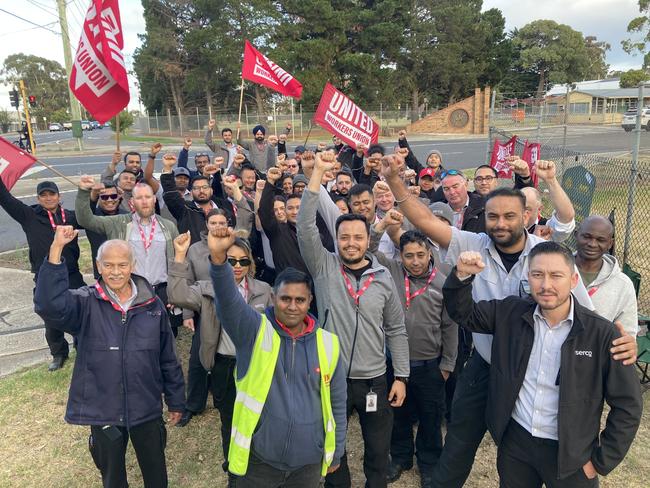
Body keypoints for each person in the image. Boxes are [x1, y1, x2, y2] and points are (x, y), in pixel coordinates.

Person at [379, 153, 638, 488]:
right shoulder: (473, 244)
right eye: (493, 216)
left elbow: (584, 314)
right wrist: (396, 181)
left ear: (526, 217)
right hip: (486, 364)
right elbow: (426, 221)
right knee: (459, 440)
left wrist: (619, 342)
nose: (500, 223)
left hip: (530, 369)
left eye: (509, 216)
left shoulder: (544, 254)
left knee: (535, 438)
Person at [443, 244, 642, 487]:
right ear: (528, 277)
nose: (546, 285)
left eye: (556, 275)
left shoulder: (601, 334)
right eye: (538, 275)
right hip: (516, 445)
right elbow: (464, 314)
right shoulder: (510, 313)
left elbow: (628, 406)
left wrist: (601, 460)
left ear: (573, 279)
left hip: (571, 454)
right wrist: (462, 276)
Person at [34, 229, 185, 488]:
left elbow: (167, 357)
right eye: (108, 265)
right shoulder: (85, 302)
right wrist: (56, 250)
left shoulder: (152, 306)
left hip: (145, 406)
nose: (116, 272)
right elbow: (49, 306)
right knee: (112, 478)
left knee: (156, 475)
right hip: (104, 409)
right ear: (98, 266)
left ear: (132, 266)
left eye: (122, 265)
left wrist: (175, 400)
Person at [298, 152, 409, 488]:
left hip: (374, 379)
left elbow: (396, 329)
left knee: (377, 451)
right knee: (334, 449)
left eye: (357, 237)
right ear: (337, 240)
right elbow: (304, 226)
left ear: (367, 241)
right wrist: (316, 174)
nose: (350, 243)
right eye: (344, 237)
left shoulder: (382, 276)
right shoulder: (324, 267)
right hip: (332, 378)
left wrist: (401, 376)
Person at [206, 226, 346, 487]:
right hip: (260, 462)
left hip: (308, 463)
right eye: (285, 299)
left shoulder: (329, 344)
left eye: (300, 300)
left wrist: (336, 449)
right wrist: (218, 260)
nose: (293, 307)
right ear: (273, 298)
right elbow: (228, 303)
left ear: (309, 301)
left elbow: (337, 402)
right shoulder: (254, 331)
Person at [168, 231, 273, 486]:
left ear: (251, 264)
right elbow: (177, 295)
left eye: (243, 261)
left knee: (258, 419)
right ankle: (234, 469)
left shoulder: (264, 290)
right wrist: (180, 256)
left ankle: (259, 467)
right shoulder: (208, 288)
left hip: (256, 366)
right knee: (229, 420)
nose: (237, 266)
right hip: (224, 365)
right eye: (230, 260)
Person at [370, 216, 457, 488]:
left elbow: (450, 326)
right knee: (398, 415)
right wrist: (381, 226)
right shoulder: (391, 271)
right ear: (401, 256)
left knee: (431, 417)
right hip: (395, 364)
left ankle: (429, 462)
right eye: (409, 256)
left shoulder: (443, 282)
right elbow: (369, 250)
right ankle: (401, 456)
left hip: (430, 365)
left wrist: (447, 364)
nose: (415, 261)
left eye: (421, 254)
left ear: (430, 253)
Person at [75, 176, 182, 335]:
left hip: (162, 291)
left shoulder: (168, 226)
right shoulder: (117, 223)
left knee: (165, 335)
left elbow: (177, 261)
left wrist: (175, 292)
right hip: (131, 290)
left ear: (154, 199)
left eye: (147, 197)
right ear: (132, 201)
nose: (144, 201)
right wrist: (83, 192)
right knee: (132, 334)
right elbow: (85, 220)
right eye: (139, 198)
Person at [0, 178, 85, 371]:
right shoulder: (28, 215)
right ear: (38, 198)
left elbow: (91, 216)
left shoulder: (70, 217)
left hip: (71, 274)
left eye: (51, 194)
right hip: (45, 276)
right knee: (51, 318)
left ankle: (83, 348)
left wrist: (89, 192)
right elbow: (5, 198)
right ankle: (58, 354)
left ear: (59, 196)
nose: (48, 198)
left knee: (81, 313)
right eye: (43, 195)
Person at [160, 153, 246, 243]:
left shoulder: (225, 206)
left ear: (211, 190)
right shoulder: (185, 210)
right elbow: (171, 195)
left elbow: (243, 211)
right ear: (191, 193)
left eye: (205, 187)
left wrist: (235, 187)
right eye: (196, 188)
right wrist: (167, 168)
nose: (201, 191)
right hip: (197, 255)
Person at [575, 215, 638, 335]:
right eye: (586, 237)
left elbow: (627, 334)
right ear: (576, 235)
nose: (592, 244)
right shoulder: (556, 271)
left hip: (596, 351)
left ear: (610, 243)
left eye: (600, 240)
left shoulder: (623, 285)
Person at [258, 167, 310, 275]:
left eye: (298, 208)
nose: (295, 212)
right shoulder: (277, 231)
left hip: (312, 287)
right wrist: (271, 181)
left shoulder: (312, 231)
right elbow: (265, 211)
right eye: (290, 208)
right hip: (287, 286)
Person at [87, 182, 128, 279]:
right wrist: (92, 195)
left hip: (126, 270)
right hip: (103, 273)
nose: (109, 200)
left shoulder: (126, 215)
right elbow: (84, 211)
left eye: (113, 196)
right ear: (98, 198)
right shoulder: (91, 216)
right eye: (104, 197)